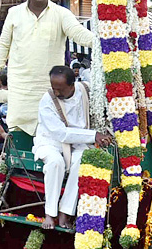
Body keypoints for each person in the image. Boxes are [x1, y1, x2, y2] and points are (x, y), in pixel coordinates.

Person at [0, 0, 96, 136]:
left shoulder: (61, 13)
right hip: (20, 85)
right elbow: (3, 44)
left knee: (52, 127)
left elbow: (78, 34)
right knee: (18, 127)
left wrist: (105, 41)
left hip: (50, 85)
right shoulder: (14, 13)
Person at [34, 65, 113, 229]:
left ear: (72, 85)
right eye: (53, 87)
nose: (55, 92)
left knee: (82, 160)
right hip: (51, 142)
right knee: (56, 163)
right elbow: (61, 133)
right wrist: (94, 136)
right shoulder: (47, 99)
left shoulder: (84, 89)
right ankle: (50, 213)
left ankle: (65, 212)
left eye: (60, 89)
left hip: (79, 142)